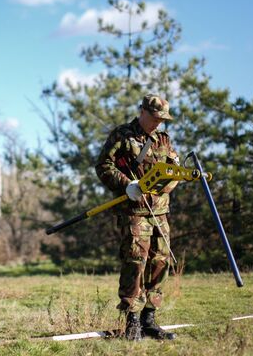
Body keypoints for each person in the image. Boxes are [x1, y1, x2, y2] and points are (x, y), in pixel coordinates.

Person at [95, 94, 180, 341]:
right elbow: (103, 166)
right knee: (135, 263)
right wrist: (125, 184)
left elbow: (172, 170)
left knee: (161, 262)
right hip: (134, 212)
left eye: (162, 120)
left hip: (160, 212)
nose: (158, 124)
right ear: (142, 112)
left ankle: (149, 319)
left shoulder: (163, 139)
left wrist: (171, 182)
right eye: (154, 118)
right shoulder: (121, 136)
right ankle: (132, 321)